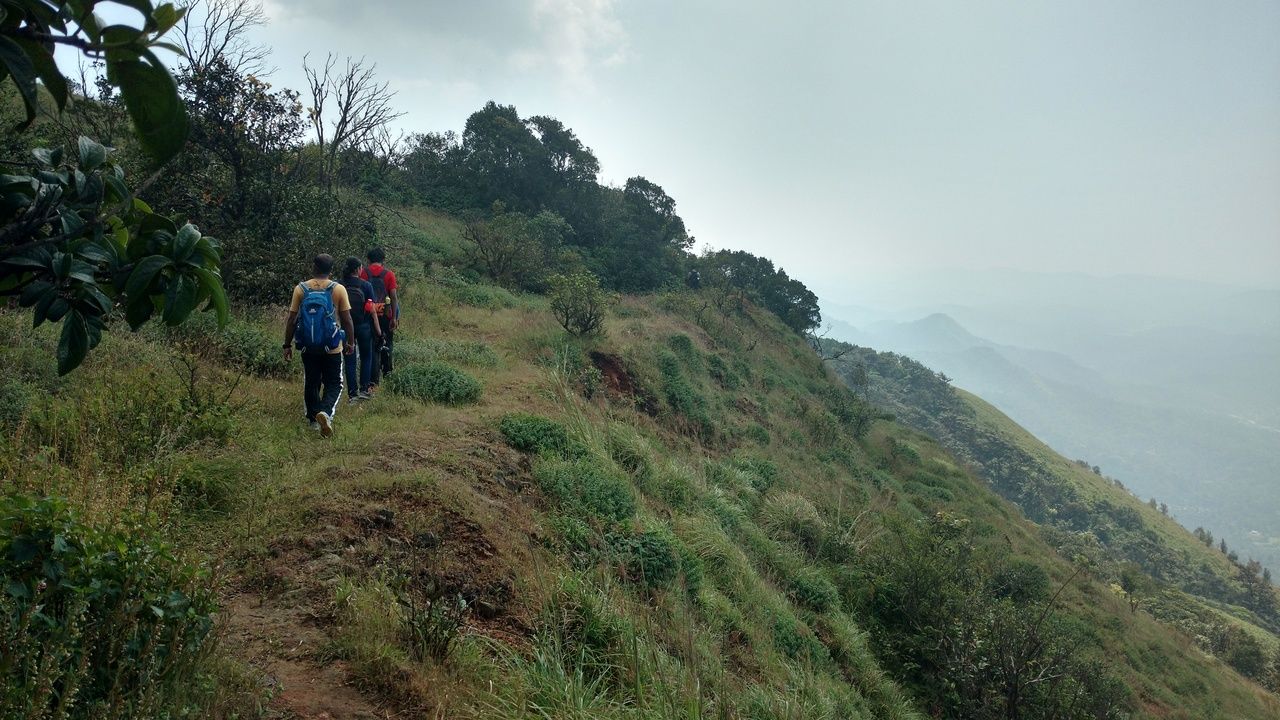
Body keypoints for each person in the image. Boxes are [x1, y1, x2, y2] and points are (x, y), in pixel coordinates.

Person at [283, 254, 355, 438]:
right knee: (335, 383)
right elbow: (347, 320)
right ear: (331, 270)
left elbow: (292, 319)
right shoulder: (338, 289)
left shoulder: (301, 289)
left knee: (312, 382)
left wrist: (287, 344)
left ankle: (314, 421)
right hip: (332, 346)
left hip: (308, 346)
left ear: (313, 267)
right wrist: (350, 342)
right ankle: (326, 412)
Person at [340, 257, 382, 402]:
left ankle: (352, 394)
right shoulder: (366, 286)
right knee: (366, 357)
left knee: (349, 360)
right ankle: (364, 389)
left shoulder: (340, 285)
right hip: (363, 326)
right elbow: (372, 310)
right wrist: (378, 331)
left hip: (345, 327)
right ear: (358, 269)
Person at [359, 247, 399, 386]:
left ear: (369, 260)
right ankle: (387, 374)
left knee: (372, 346)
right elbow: (393, 296)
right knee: (387, 344)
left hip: (369, 315)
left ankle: (373, 381)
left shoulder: (363, 273)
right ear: (383, 260)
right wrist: (394, 317)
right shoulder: (389, 274)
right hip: (386, 315)